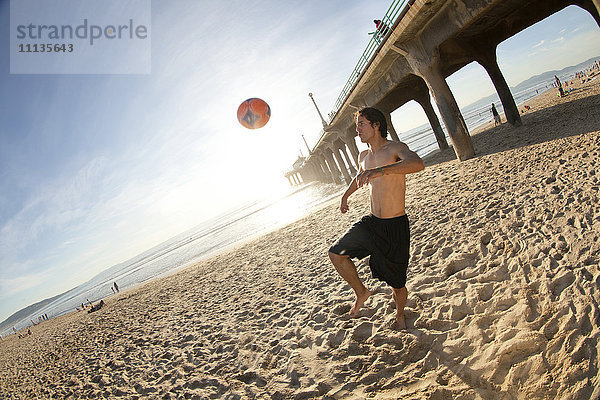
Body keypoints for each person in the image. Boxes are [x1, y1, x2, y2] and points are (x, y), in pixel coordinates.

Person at [328, 107, 424, 330]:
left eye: (361, 124)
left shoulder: (395, 148)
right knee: (336, 254)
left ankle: (400, 314)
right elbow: (359, 177)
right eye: (357, 125)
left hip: (395, 226)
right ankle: (361, 291)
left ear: (376, 125)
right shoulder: (364, 156)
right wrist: (345, 195)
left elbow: (417, 164)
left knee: (397, 283)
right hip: (372, 223)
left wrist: (381, 171)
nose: (357, 130)